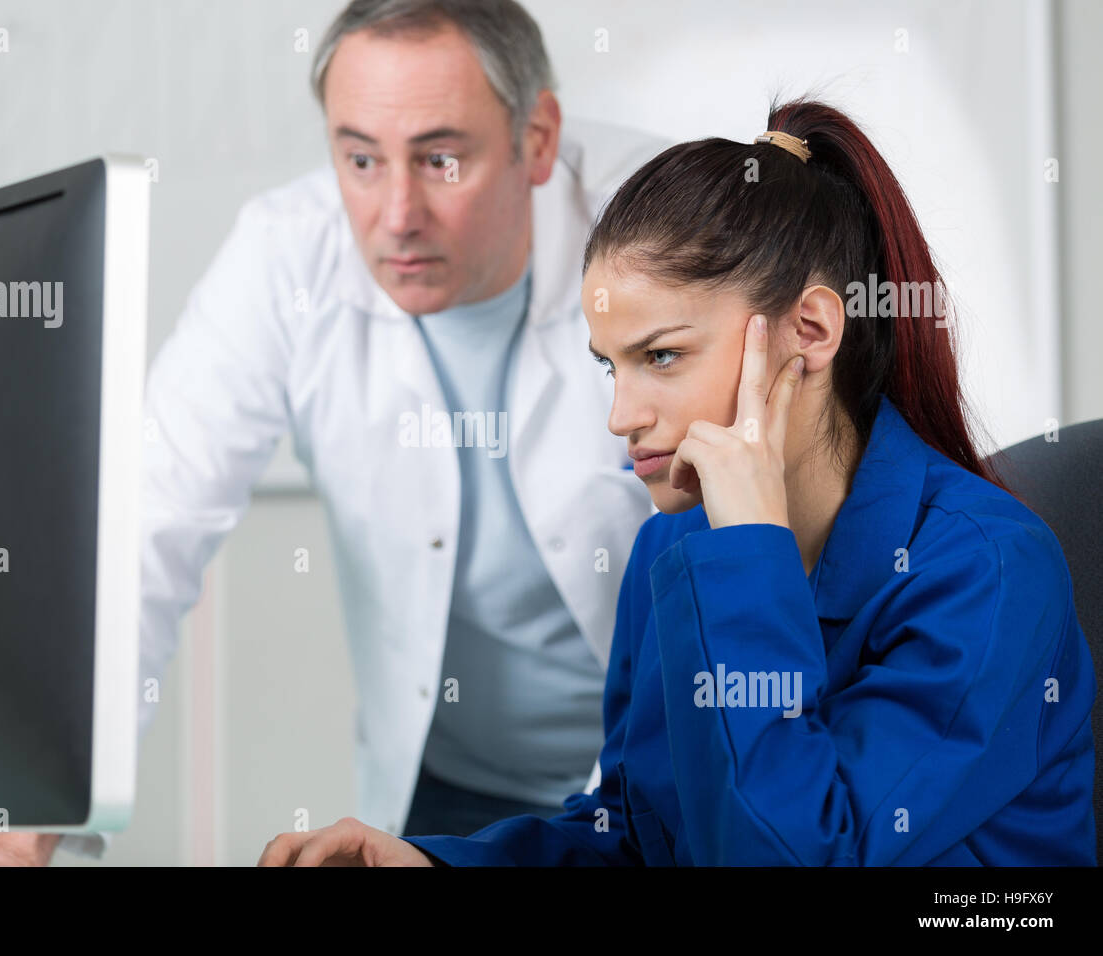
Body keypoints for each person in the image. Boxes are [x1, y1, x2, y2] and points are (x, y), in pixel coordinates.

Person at [0, 0, 663, 866]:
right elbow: (142, 534)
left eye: (442, 159)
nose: (395, 213)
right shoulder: (287, 253)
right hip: (447, 788)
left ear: (537, 137)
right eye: (360, 158)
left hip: (653, 773)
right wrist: (19, 843)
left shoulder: (662, 231)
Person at [256, 98, 1098, 866]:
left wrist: (751, 558)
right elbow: (635, 834)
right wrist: (436, 864)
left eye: (662, 356)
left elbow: (796, 857)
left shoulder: (986, 571)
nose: (621, 415)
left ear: (809, 330)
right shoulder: (675, 541)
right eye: (608, 367)